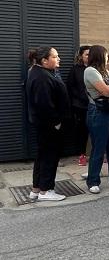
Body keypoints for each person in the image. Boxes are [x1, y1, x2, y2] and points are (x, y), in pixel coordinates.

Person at [26, 47, 70, 201]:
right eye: (55, 56)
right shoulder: (42, 77)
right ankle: (46, 190)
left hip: (45, 125)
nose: (59, 59)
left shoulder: (38, 72)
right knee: (49, 157)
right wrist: (56, 122)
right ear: (44, 60)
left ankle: (36, 189)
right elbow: (44, 104)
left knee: (42, 156)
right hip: (49, 125)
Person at [84, 45, 109, 194]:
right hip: (98, 112)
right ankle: (93, 181)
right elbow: (108, 91)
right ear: (100, 56)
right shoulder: (90, 71)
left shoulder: (104, 71)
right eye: (106, 56)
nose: (108, 59)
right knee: (99, 148)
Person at [66, 45, 90, 166]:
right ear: (81, 56)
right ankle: (81, 154)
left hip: (94, 105)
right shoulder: (75, 69)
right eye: (86, 54)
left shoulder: (96, 68)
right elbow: (70, 87)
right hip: (80, 106)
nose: (89, 57)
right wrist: (81, 96)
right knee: (82, 131)